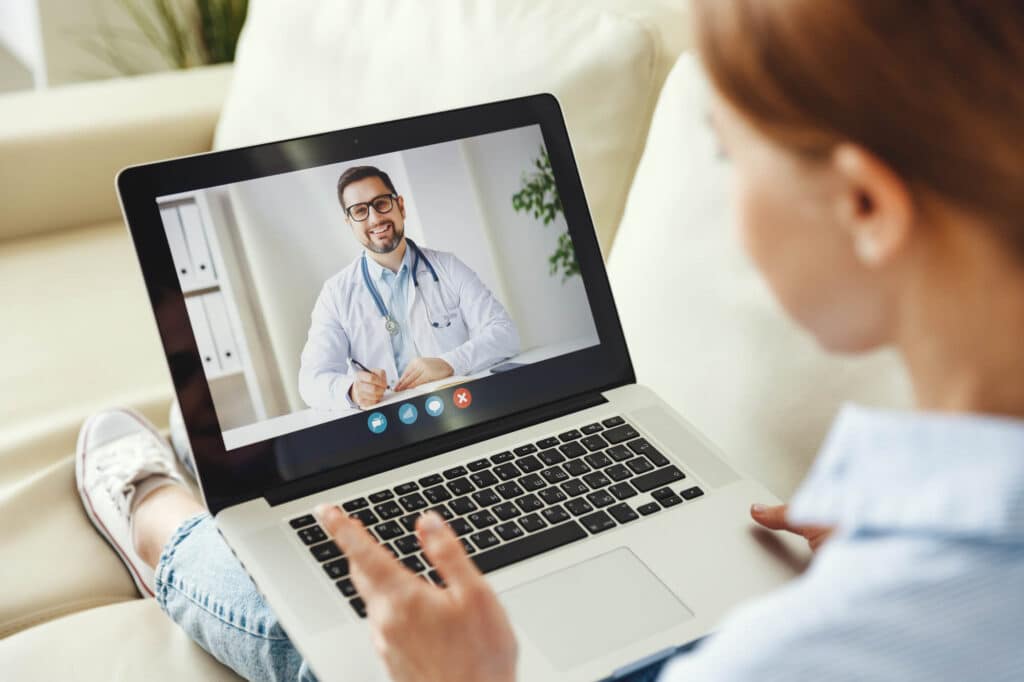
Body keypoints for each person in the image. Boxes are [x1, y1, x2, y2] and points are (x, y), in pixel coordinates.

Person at [74, 1, 1024, 680]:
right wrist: (878, 544)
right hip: (393, 438)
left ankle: (163, 528)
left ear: (864, 207)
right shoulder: (335, 295)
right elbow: (318, 375)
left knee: (359, 641)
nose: (373, 219)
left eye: (729, 155)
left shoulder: (805, 649)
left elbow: (495, 333)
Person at [297, 165, 520, 410]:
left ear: (400, 206)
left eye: (381, 203)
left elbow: (505, 334)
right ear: (349, 222)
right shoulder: (335, 295)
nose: (375, 218)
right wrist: (350, 390)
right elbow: (310, 381)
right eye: (360, 211)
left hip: (458, 407)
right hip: (389, 422)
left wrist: (449, 363)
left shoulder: (448, 267)